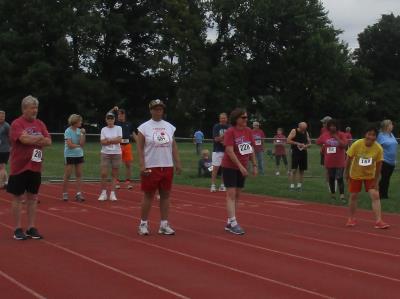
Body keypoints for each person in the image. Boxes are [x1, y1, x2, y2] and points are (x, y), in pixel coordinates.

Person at [6, 95, 51, 240]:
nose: (35, 110)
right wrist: (38, 139)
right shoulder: (17, 124)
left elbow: (48, 141)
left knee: (33, 197)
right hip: (19, 166)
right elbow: (23, 140)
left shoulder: (40, 124)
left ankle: (31, 227)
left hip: (35, 166)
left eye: (36, 108)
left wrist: (34, 139)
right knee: (18, 197)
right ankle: (17, 228)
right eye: (32, 108)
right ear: (24, 108)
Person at [137, 99, 182, 236]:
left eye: (160, 109)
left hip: (167, 165)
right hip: (151, 165)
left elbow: (173, 145)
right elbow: (139, 147)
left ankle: (164, 224)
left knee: (166, 195)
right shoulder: (144, 127)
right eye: (155, 109)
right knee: (149, 195)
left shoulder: (169, 126)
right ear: (150, 110)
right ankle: (143, 224)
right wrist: (142, 164)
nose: (158, 111)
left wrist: (177, 162)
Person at [345, 127, 389, 229]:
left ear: (376, 137)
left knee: (375, 195)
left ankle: (379, 221)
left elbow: (379, 165)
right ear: (365, 134)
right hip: (356, 174)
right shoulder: (357, 144)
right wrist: (346, 173)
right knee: (354, 196)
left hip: (370, 175)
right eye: (369, 134)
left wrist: (376, 180)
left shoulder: (378, 148)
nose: (371, 137)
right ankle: (351, 219)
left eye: (373, 135)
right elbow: (348, 159)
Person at [222, 108, 257, 235]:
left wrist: (254, 164)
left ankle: (230, 221)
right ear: (236, 119)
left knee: (237, 194)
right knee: (231, 194)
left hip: (242, 167)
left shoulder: (248, 131)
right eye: (243, 117)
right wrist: (240, 166)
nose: (246, 119)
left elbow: (250, 148)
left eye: (247, 117)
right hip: (230, 167)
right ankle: (233, 223)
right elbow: (229, 151)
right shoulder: (230, 132)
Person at [316, 119, 348, 202]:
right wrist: (323, 146)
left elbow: (344, 145)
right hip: (329, 161)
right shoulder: (325, 135)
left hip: (340, 161)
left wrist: (336, 137)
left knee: (340, 178)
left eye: (334, 126)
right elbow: (317, 142)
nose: (332, 127)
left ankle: (342, 196)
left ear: (337, 126)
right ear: (328, 127)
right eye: (330, 126)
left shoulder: (342, 134)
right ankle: (333, 195)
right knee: (331, 178)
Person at [109, 106, 136, 189]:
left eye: (121, 115)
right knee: (117, 164)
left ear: (124, 115)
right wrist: (113, 109)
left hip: (127, 145)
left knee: (128, 164)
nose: (119, 116)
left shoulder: (129, 124)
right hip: (118, 145)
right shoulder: (115, 123)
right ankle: (116, 181)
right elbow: (108, 115)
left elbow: (134, 134)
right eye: (118, 115)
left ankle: (128, 182)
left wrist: (139, 143)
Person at [98, 113, 122, 201]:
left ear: (114, 119)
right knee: (104, 173)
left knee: (114, 174)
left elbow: (119, 140)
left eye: (112, 119)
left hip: (116, 153)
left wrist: (109, 140)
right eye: (108, 119)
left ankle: (112, 193)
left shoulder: (118, 128)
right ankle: (103, 193)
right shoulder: (103, 129)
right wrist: (113, 140)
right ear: (106, 120)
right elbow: (102, 142)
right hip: (105, 153)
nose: (110, 120)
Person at [62, 114, 86, 202]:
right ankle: (64, 193)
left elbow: (82, 144)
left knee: (79, 174)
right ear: (75, 122)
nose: (81, 123)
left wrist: (83, 134)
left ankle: (79, 193)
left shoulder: (80, 131)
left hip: (79, 154)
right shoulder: (67, 131)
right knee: (67, 174)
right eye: (80, 121)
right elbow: (70, 145)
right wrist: (78, 145)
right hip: (69, 155)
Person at [287, 122, 311, 191]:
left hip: (303, 152)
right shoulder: (294, 131)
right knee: (294, 169)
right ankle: (292, 186)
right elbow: (288, 140)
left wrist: (306, 146)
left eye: (305, 129)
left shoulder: (306, 132)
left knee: (302, 170)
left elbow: (309, 143)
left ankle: (299, 186)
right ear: (299, 127)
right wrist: (297, 143)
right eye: (302, 129)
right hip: (295, 152)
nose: (303, 130)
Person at [377, 120, 398, 199]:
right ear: (386, 126)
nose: (392, 126)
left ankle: (384, 194)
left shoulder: (391, 135)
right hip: (384, 160)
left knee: (387, 178)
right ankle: (381, 195)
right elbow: (377, 147)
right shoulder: (381, 135)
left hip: (392, 161)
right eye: (391, 124)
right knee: (384, 178)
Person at [210, 113, 230, 192]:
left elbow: (231, 138)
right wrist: (224, 136)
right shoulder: (216, 127)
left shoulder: (229, 127)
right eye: (222, 118)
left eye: (224, 118)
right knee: (215, 168)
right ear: (219, 119)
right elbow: (216, 139)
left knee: (224, 169)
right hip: (217, 150)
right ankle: (213, 185)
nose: (223, 119)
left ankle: (222, 185)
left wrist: (224, 141)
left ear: (227, 118)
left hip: (226, 150)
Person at [0, 110, 10, 189]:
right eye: (0, 116)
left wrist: (11, 147)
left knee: (2, 167)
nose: (1, 118)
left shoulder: (6, 126)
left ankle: (1, 183)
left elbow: (11, 137)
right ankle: (7, 182)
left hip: (4, 150)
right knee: (1, 167)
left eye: (3, 116)